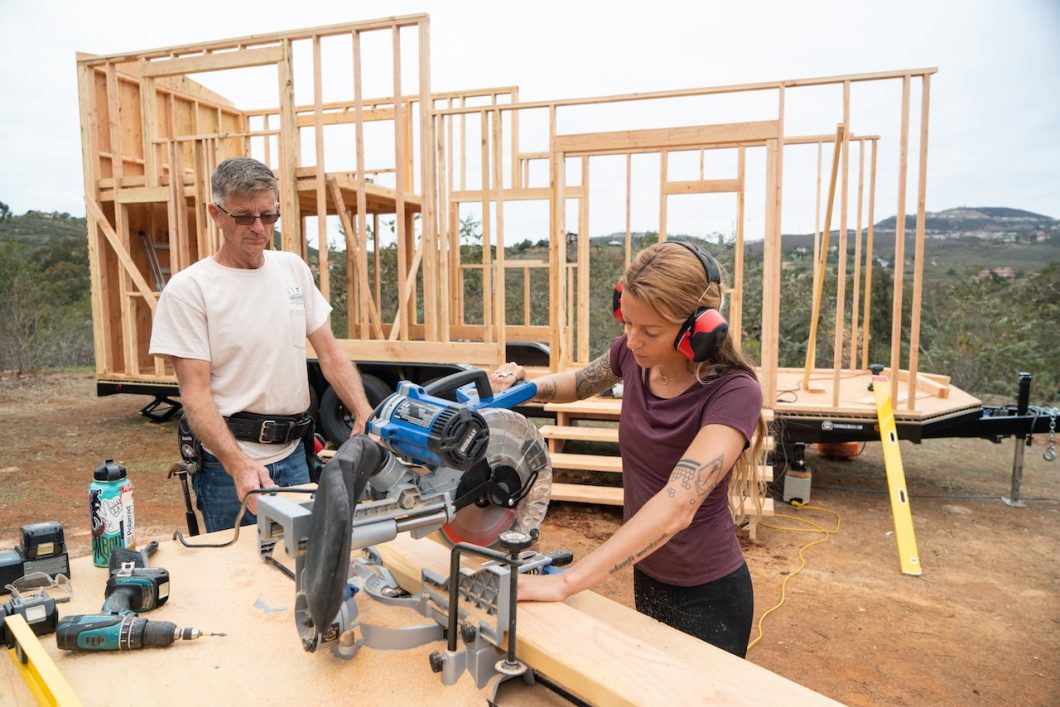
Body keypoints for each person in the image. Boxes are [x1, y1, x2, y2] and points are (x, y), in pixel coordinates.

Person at [490, 241, 766, 657]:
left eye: (650, 331)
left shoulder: (734, 393)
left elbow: (678, 504)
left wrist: (566, 582)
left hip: (710, 594)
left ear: (699, 330)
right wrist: (525, 389)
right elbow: (581, 381)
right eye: (627, 323)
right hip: (648, 574)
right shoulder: (632, 356)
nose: (633, 341)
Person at [149, 157, 374, 533]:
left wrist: (363, 411)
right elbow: (196, 394)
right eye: (244, 217)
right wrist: (238, 466)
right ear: (215, 213)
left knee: (303, 563)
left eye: (268, 217)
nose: (259, 228)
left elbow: (330, 354)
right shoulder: (191, 290)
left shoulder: (292, 269)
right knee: (237, 574)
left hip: (294, 456)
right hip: (229, 467)